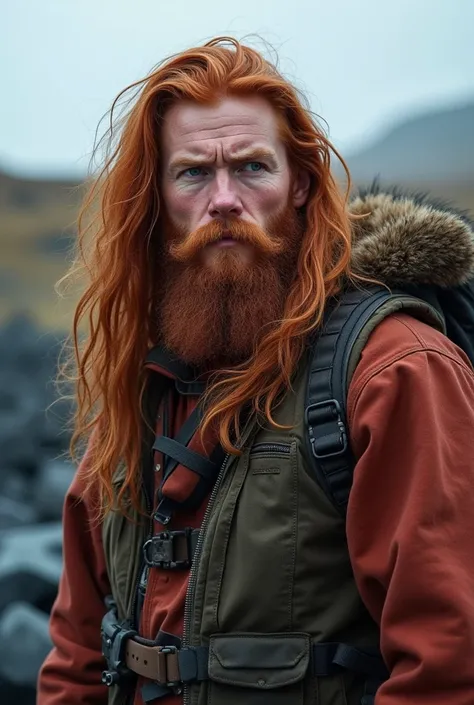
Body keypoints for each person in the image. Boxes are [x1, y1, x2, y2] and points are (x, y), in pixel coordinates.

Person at [37, 37, 474, 705]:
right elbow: (75, 655)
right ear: (156, 197)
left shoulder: (393, 368)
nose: (223, 199)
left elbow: (448, 667)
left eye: (251, 167)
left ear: (299, 182)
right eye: (191, 173)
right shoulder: (142, 386)